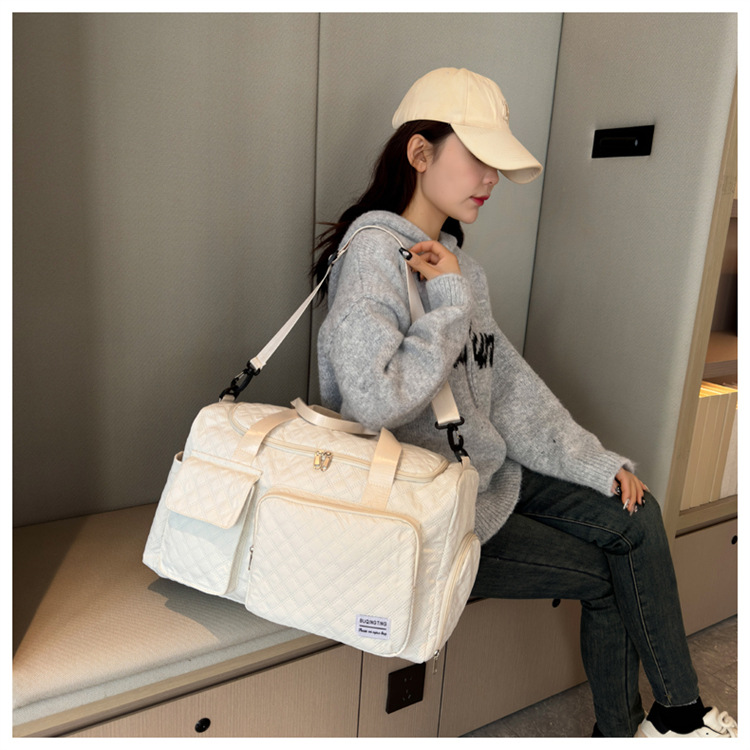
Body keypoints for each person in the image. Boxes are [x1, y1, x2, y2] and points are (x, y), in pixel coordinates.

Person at [312, 67, 737, 738]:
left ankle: (676, 714)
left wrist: (595, 464)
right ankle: (637, 729)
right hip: (427, 509)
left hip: (482, 475)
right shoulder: (373, 254)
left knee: (635, 514)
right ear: (419, 153)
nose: (490, 179)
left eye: (497, 165)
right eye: (477, 158)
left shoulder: (455, 266)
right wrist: (449, 301)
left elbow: (507, 389)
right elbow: (372, 400)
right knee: (607, 574)